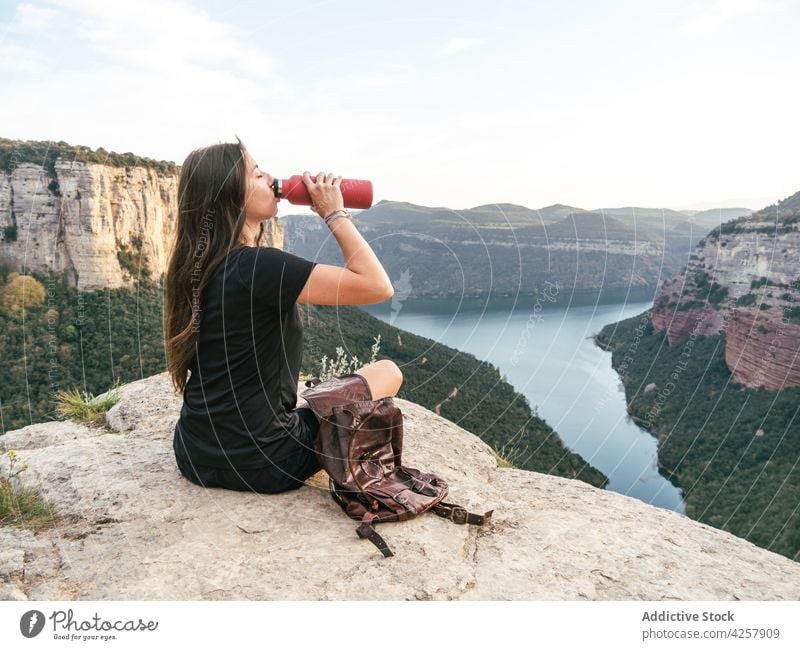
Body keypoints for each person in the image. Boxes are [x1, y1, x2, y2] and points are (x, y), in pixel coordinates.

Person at [164, 136, 403, 494]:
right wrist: (334, 212)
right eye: (257, 174)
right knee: (387, 371)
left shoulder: (197, 267)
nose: (270, 178)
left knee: (329, 391)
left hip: (194, 455)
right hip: (266, 461)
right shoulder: (258, 266)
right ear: (231, 195)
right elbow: (376, 286)